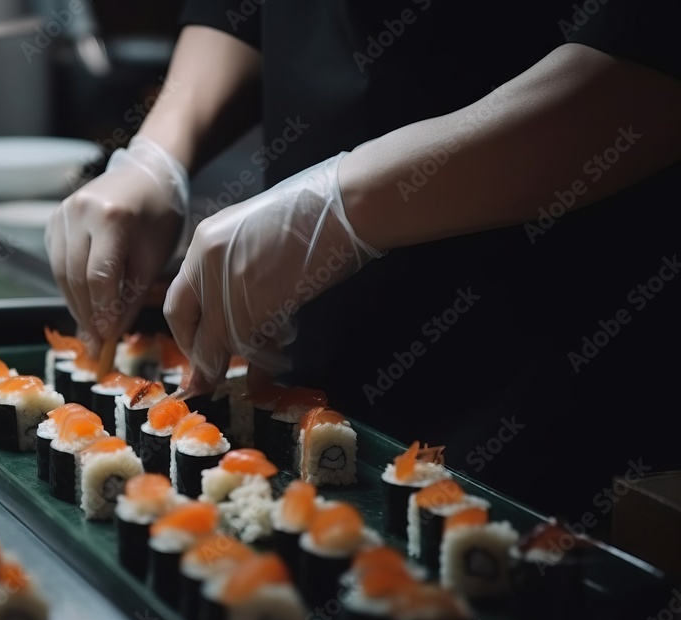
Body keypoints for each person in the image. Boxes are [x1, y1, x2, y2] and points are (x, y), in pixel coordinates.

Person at [46, 0, 681, 518]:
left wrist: (346, 201)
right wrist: (158, 152)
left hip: (554, 353)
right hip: (322, 353)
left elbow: (645, 57)